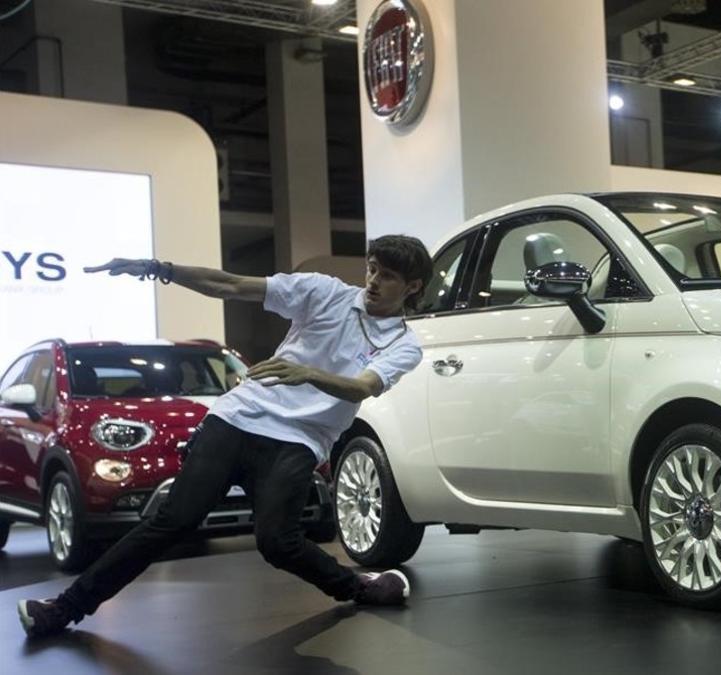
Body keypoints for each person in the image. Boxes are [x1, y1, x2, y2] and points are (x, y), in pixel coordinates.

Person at [17, 235, 432, 639]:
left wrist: (309, 373)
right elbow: (230, 284)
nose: (374, 281)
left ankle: (358, 587)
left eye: (388, 276)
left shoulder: (403, 345)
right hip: (238, 416)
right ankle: (63, 609)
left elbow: (361, 387)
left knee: (278, 543)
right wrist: (158, 269)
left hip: (299, 439)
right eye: (372, 269)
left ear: (412, 287)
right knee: (172, 520)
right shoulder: (325, 293)